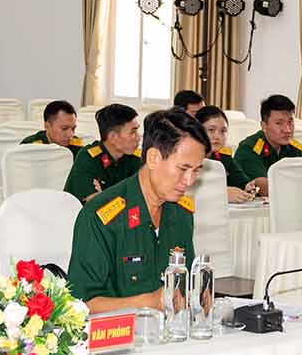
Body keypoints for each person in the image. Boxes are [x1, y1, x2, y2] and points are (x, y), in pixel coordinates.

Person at [66, 110, 206, 313]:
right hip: (117, 330)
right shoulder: (102, 217)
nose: (189, 181)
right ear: (153, 158)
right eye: (183, 169)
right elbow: (81, 304)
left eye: (196, 170)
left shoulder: (181, 212)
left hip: (171, 329)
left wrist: (197, 295)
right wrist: (149, 302)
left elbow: (186, 285)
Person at [63, 104, 142, 201]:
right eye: (133, 132)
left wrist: (104, 196)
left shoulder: (135, 159)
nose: (138, 137)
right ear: (113, 137)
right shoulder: (89, 158)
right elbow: (94, 204)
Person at [232, 94, 302, 193]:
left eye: (290, 122)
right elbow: (264, 188)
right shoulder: (249, 148)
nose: (287, 130)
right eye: (279, 123)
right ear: (264, 126)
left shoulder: (293, 148)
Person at [195, 105, 264, 201]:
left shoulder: (224, 158)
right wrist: (221, 193)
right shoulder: (187, 158)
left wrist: (249, 188)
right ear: (197, 130)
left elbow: (243, 182)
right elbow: (187, 190)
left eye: (223, 131)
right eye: (211, 130)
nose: (217, 136)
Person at [21, 100, 85, 157]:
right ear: (47, 126)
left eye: (73, 128)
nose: (70, 134)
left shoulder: (76, 144)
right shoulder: (30, 147)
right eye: (64, 128)